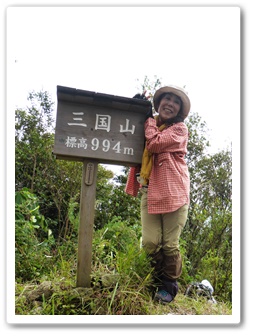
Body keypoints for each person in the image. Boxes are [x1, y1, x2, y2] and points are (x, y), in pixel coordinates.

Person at [125, 85, 191, 303]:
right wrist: (137, 108)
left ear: (179, 109)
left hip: (174, 193)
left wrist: (148, 119)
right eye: (167, 99)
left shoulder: (179, 130)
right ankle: (154, 281)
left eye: (175, 101)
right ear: (159, 102)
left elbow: (154, 143)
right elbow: (132, 131)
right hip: (150, 190)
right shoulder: (150, 124)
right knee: (151, 242)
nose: (170, 104)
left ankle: (168, 287)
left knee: (170, 244)